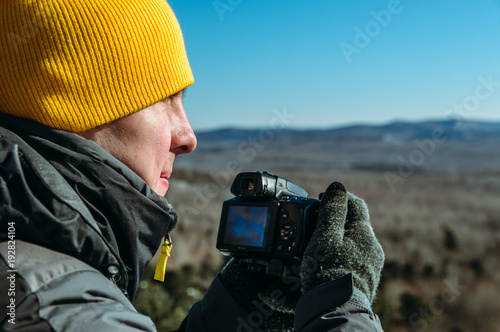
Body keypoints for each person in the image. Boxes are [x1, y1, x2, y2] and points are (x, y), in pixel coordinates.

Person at [0, 1, 385, 331]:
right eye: (164, 100)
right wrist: (342, 306)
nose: (188, 136)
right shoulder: (63, 311)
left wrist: (237, 308)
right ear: (73, 108)